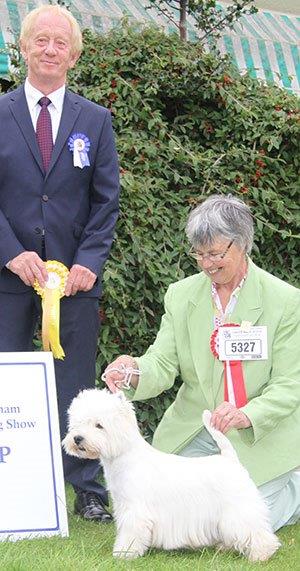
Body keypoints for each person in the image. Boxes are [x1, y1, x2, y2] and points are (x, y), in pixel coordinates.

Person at [104, 194, 300, 532]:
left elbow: (290, 383)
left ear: (242, 245)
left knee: (248, 519)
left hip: (257, 433)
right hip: (194, 428)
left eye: (215, 254)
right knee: (164, 512)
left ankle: (293, 488)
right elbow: (162, 363)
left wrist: (246, 414)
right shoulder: (180, 295)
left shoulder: (285, 300)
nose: (207, 264)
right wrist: (132, 372)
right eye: (199, 254)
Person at [0, 5, 119, 522]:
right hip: (6, 278)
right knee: (3, 381)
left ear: (74, 54)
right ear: (22, 48)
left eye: (59, 43)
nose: (49, 50)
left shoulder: (95, 120)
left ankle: (88, 490)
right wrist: (10, 252)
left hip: (73, 283)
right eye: (40, 40)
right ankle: (9, 483)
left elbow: (106, 201)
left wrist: (89, 260)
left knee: (76, 388)